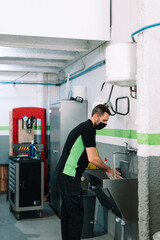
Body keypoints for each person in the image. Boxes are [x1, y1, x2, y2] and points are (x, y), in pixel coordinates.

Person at [56, 104, 122, 240]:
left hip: (63, 173)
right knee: (76, 215)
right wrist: (109, 169)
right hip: (69, 175)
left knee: (67, 213)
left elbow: (89, 156)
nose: (105, 124)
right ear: (96, 116)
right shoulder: (89, 129)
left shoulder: (83, 126)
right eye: (104, 121)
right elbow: (93, 157)